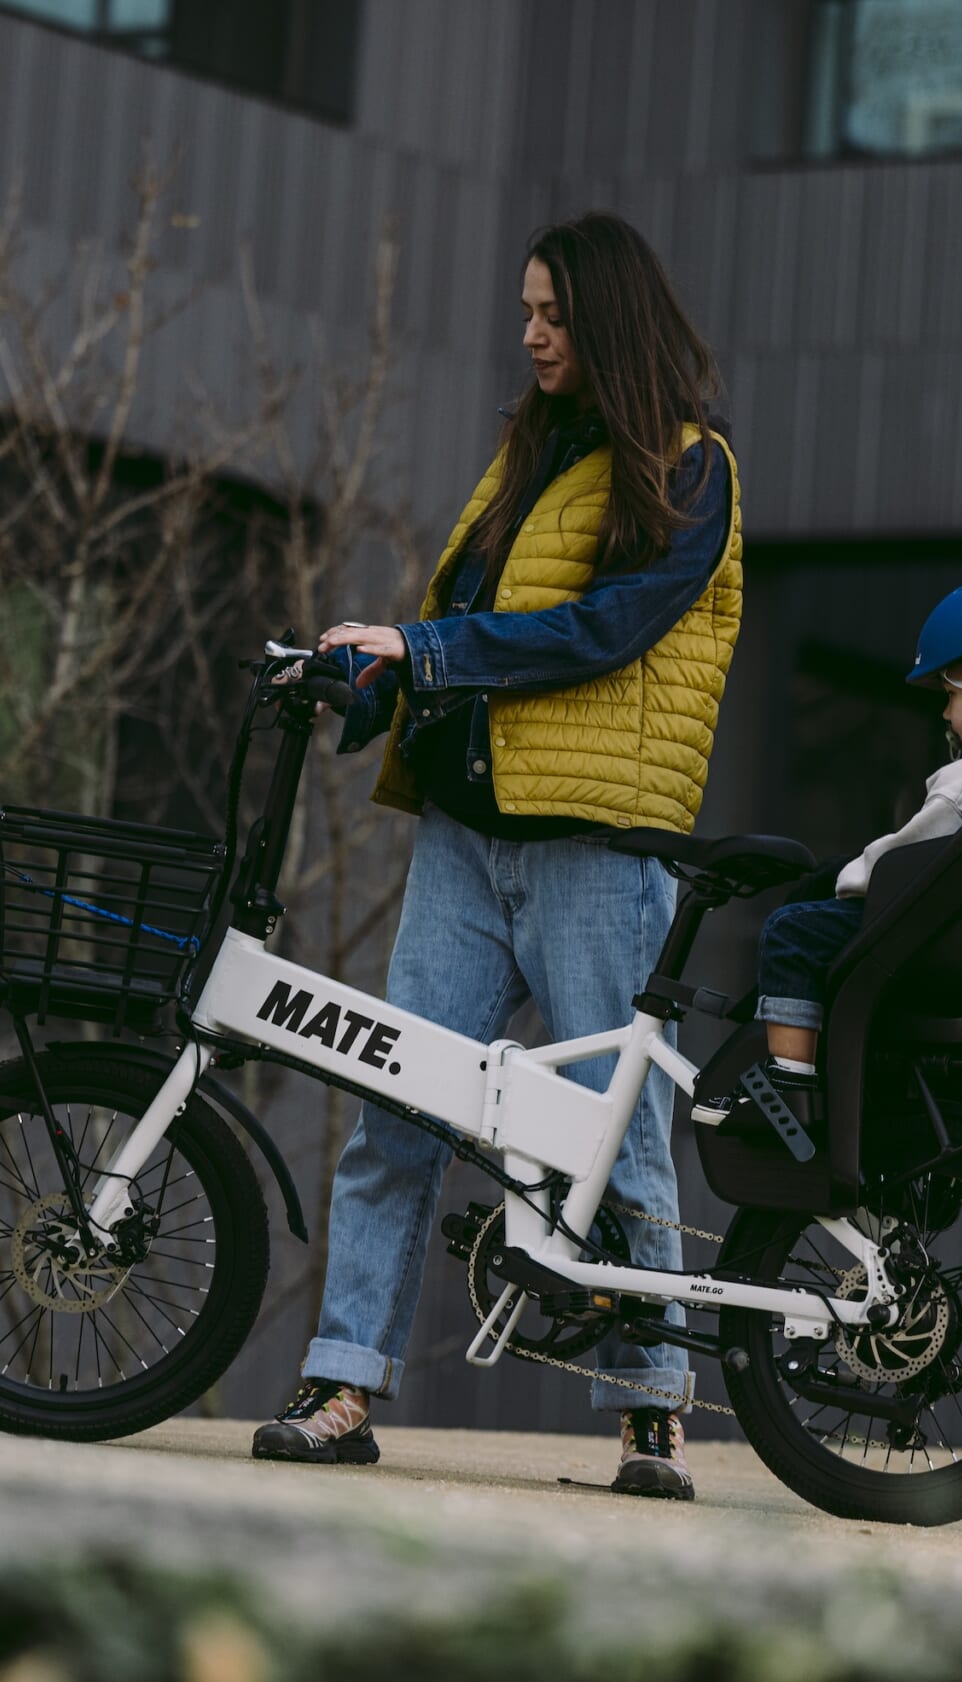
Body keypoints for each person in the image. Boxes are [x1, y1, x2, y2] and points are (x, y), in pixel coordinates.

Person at [250, 212, 742, 1500]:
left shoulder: (691, 471)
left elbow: (602, 632)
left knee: (615, 1141)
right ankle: (341, 1381)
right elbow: (463, 630)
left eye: (553, 314)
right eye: (525, 310)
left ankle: (650, 1408)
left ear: (609, 321)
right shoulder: (526, 454)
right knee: (393, 1105)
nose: (529, 333)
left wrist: (422, 650)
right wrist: (366, 676)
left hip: (593, 851)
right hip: (467, 841)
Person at [755, 573, 962, 1079]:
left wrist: (838, 880)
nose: (944, 713)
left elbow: (898, 864)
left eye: (950, 694)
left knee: (793, 931)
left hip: (938, 942)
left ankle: (787, 1085)